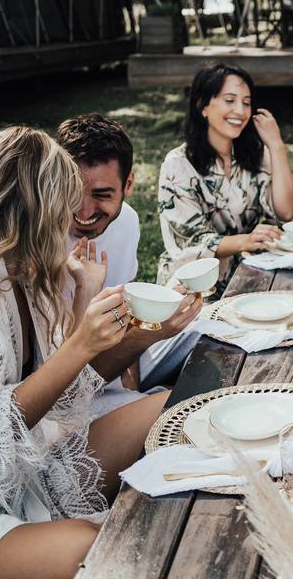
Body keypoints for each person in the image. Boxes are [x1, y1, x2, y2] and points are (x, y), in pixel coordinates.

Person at [0, 127, 169, 578]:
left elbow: (66, 405)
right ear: (34, 206)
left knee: (175, 411)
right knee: (92, 552)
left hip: (28, 468)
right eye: (63, 201)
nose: (73, 215)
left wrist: (85, 298)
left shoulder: (23, 272)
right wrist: (81, 345)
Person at [57, 114, 201, 405]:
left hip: (113, 360)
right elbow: (65, 380)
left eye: (102, 195)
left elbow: (124, 314)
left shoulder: (127, 222)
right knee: (183, 405)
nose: (84, 212)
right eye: (72, 192)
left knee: (209, 333)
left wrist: (131, 386)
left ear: (129, 184)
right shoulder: (42, 234)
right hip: (65, 382)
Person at [157, 63, 293, 294]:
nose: (240, 111)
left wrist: (277, 147)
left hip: (255, 275)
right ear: (202, 105)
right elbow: (190, 241)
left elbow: (286, 213)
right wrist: (245, 241)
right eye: (230, 100)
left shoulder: (256, 156)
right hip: (195, 288)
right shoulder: (177, 165)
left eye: (246, 103)